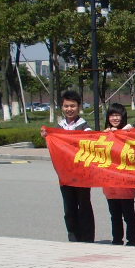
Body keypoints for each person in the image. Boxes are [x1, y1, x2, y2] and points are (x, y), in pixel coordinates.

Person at [41, 90, 95, 243]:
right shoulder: (59, 127)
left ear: (79, 107)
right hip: (65, 175)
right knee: (69, 209)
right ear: (62, 107)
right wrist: (47, 136)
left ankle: (87, 239)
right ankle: (73, 238)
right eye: (66, 106)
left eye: (72, 106)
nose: (69, 109)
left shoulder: (85, 128)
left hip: (82, 176)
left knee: (84, 207)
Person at [102, 103, 135, 246]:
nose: (115, 118)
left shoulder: (129, 132)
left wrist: (122, 132)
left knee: (128, 214)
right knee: (114, 215)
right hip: (110, 182)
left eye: (118, 115)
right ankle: (117, 240)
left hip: (126, 181)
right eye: (112, 115)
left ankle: (131, 241)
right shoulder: (104, 135)